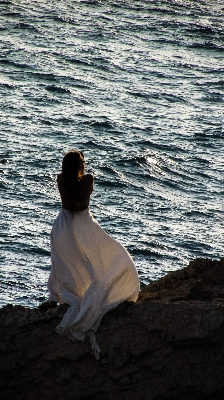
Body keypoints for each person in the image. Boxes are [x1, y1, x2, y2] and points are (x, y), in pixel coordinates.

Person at [39, 150, 139, 358]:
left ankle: (54, 297)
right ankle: (89, 293)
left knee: (60, 262)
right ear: (80, 166)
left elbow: (69, 203)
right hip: (83, 225)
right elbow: (81, 202)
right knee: (103, 260)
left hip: (63, 225)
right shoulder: (88, 180)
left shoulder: (61, 180)